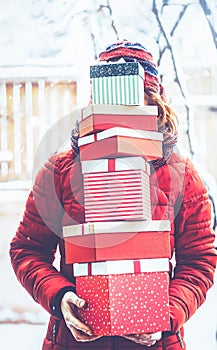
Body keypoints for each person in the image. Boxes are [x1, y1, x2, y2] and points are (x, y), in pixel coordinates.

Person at [10, 41, 217, 350]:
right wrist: (61, 298)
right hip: (73, 343)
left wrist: (167, 315)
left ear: (154, 105)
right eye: (111, 105)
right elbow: (27, 251)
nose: (122, 117)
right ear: (95, 105)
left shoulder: (181, 175)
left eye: (135, 103)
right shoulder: (60, 172)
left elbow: (199, 261)